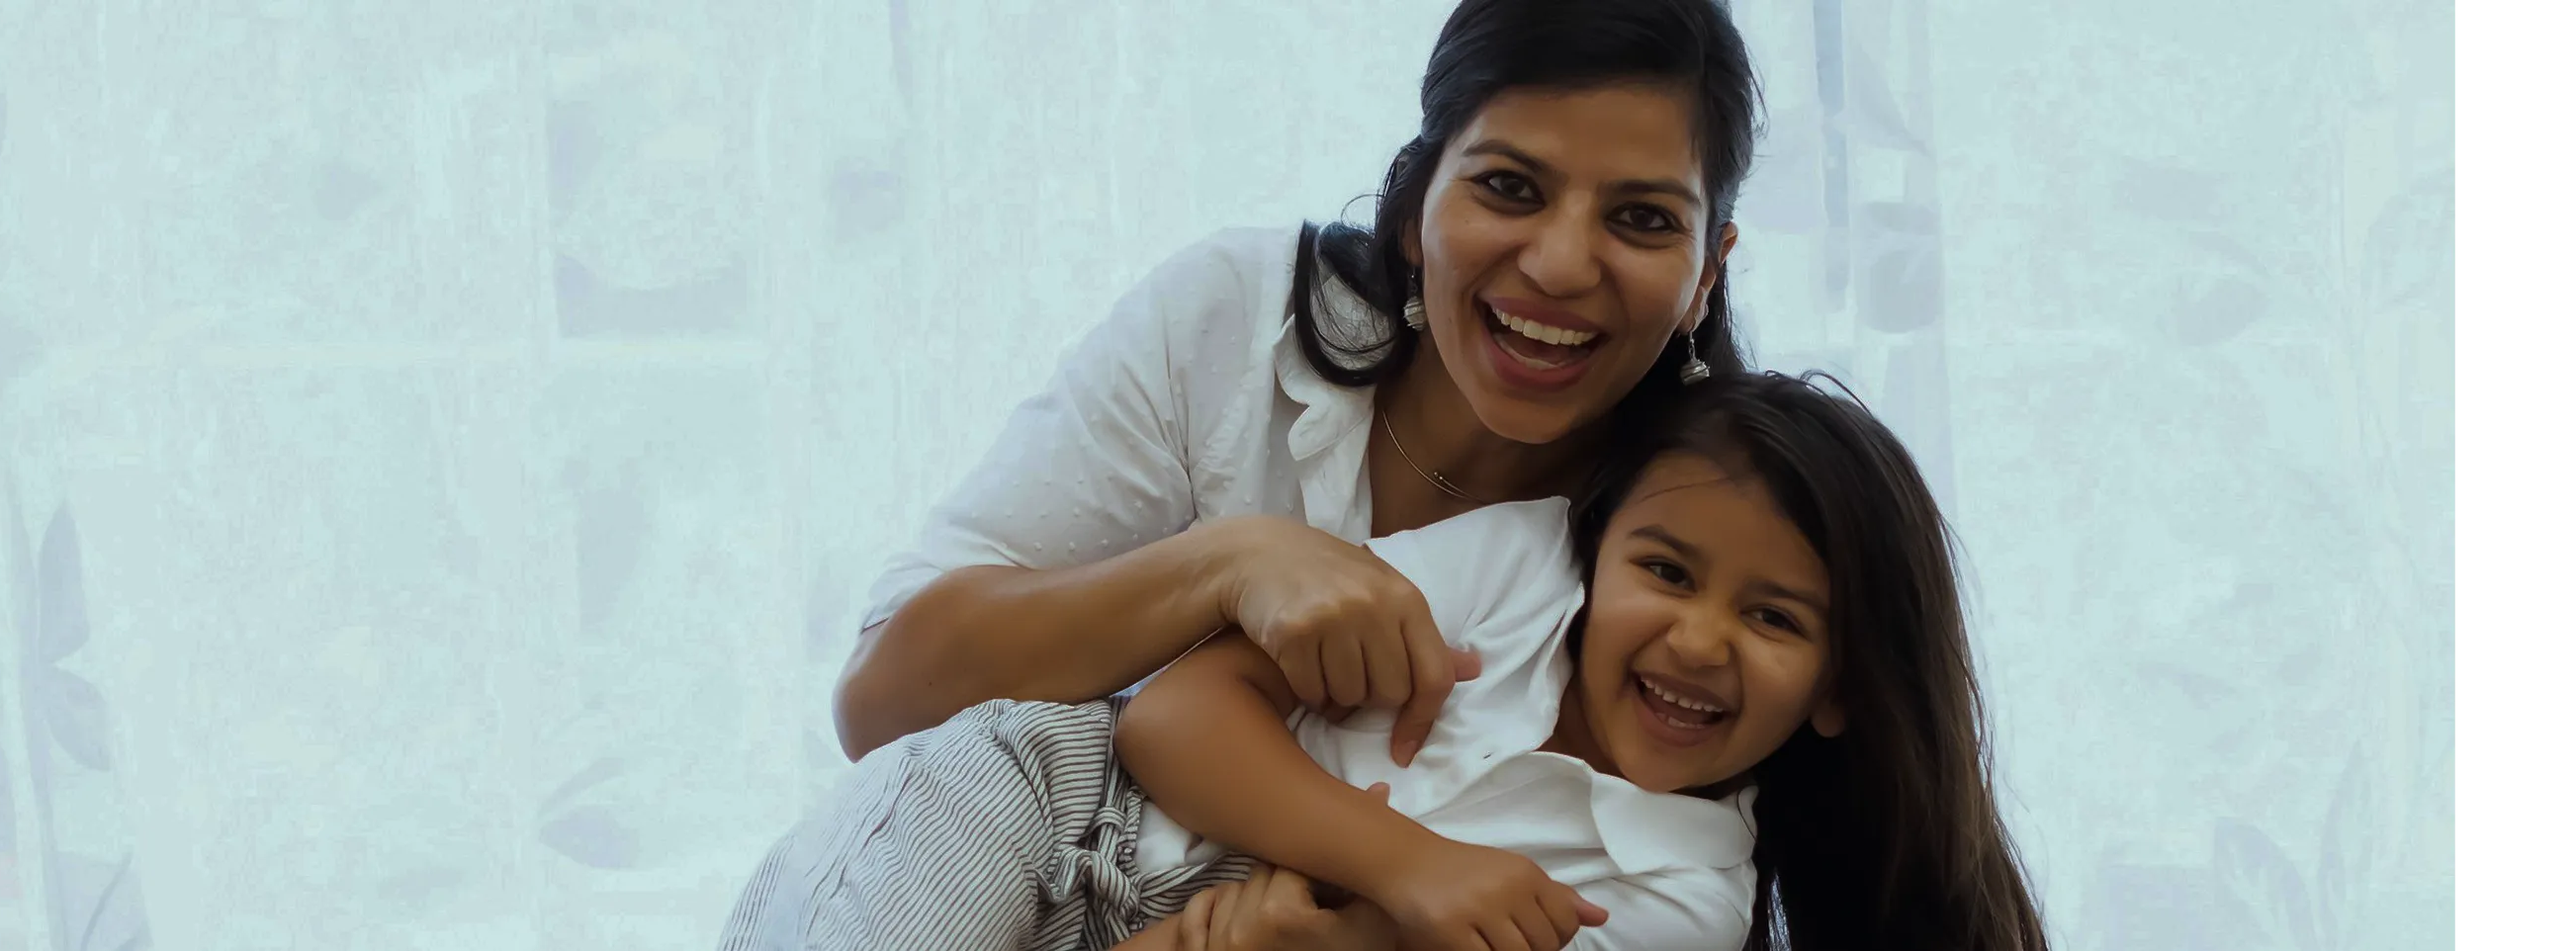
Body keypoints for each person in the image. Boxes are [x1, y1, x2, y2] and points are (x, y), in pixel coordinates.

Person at [723, 373, 2051, 950]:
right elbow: (1171, 716)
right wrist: (1407, 867)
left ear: (1841, 690)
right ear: (1601, 553)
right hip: (1050, 802)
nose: (1695, 637)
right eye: (1663, 571)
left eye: (1775, 618)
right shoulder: (1529, 563)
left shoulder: (1683, 901)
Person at [834, 0, 1760, 775]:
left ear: (1708, 271)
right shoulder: (1231, 323)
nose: (1559, 266)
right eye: (1510, 187)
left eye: (1641, 219)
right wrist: (1228, 566)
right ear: (1414, 207)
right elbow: (881, 702)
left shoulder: (1737, 529)